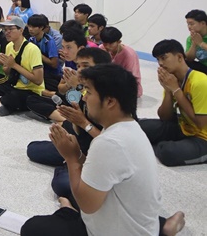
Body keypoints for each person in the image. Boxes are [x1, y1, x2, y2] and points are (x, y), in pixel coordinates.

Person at [21, 64, 185, 236]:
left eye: (89, 92)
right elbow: (99, 173)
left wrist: (71, 158)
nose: (84, 98)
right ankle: (161, 227)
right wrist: (77, 154)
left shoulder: (110, 142)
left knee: (32, 228)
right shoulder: (129, 127)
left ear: (110, 102)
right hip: (135, 223)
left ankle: (68, 212)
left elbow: (87, 205)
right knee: (75, 190)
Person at [26, 48, 112, 209]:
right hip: (81, 145)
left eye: (85, 66)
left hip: (100, 156)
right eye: (78, 66)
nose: (80, 71)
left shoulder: (109, 98)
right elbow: (64, 94)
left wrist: (82, 123)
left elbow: (110, 142)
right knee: (32, 149)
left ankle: (67, 163)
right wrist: (75, 121)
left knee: (63, 185)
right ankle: (68, 160)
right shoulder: (84, 92)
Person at [139, 39, 207, 166]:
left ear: (180, 57)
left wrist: (176, 90)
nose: (160, 63)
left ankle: (158, 146)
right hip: (183, 127)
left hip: (202, 136)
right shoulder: (172, 79)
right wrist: (168, 91)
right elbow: (165, 117)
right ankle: (158, 145)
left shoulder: (200, 81)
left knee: (168, 153)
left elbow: (201, 123)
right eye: (158, 60)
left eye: (164, 58)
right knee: (138, 126)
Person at [0, 16, 44, 116]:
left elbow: (38, 80)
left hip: (30, 90)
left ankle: (4, 103)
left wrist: (14, 65)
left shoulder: (32, 49)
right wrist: (8, 67)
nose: (7, 32)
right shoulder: (9, 46)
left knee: (11, 97)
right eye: (5, 30)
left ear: (21, 30)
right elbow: (7, 72)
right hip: (13, 86)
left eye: (10, 29)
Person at [27, 29, 88, 122]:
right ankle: (66, 120)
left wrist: (77, 85)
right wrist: (68, 84)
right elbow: (61, 89)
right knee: (31, 99)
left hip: (84, 103)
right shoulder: (69, 62)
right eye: (63, 47)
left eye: (69, 48)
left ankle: (74, 121)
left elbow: (92, 98)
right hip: (68, 99)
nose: (64, 51)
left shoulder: (89, 65)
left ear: (81, 48)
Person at [100, 26, 142, 97]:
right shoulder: (102, 48)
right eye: (105, 43)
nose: (107, 46)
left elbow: (128, 78)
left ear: (119, 42)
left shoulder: (129, 55)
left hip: (129, 85)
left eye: (111, 44)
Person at [27, 14, 61, 91]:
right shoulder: (31, 39)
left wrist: (37, 53)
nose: (30, 29)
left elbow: (54, 64)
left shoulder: (49, 41)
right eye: (29, 26)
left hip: (51, 75)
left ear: (41, 27)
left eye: (34, 27)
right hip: (37, 71)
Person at [184, 9, 207, 74]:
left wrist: (201, 43)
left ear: (203, 23)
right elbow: (189, 59)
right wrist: (194, 44)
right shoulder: (190, 39)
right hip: (204, 67)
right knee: (184, 63)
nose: (189, 27)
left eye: (192, 24)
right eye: (188, 24)